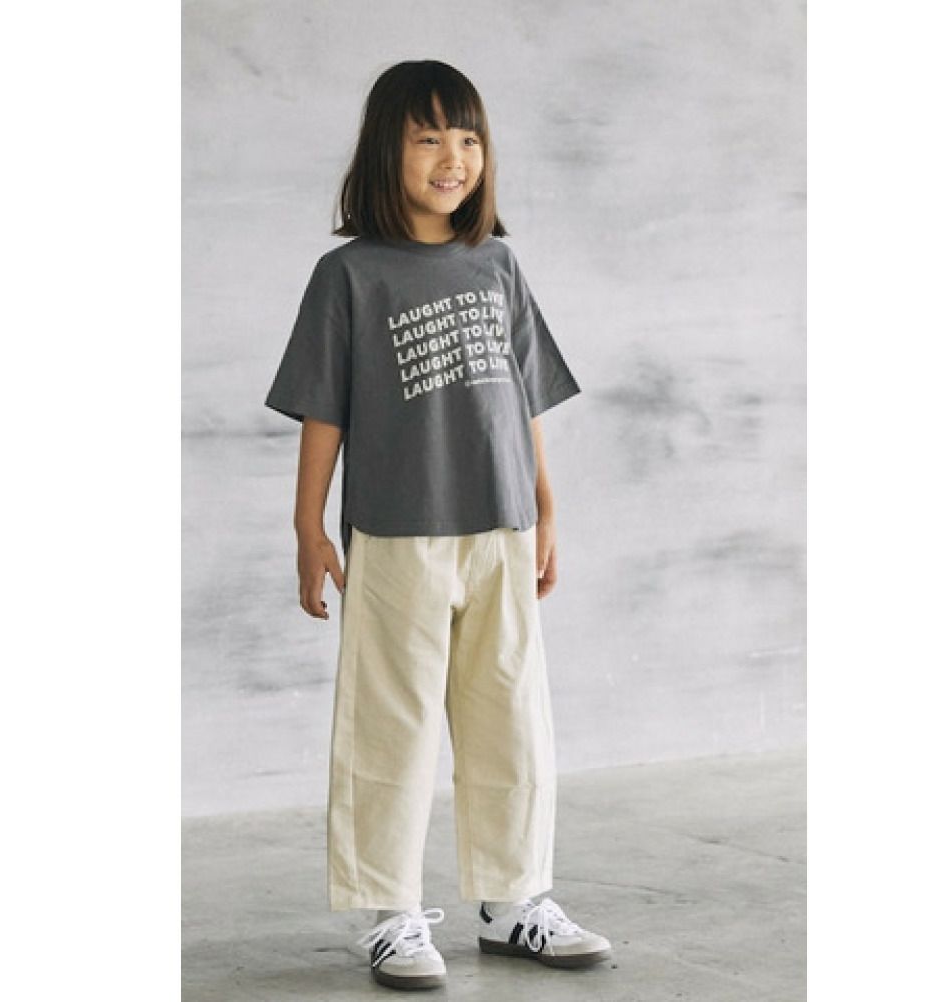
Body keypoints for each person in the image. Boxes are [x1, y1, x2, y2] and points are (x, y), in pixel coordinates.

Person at [264, 59, 612, 991]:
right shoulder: (348, 275)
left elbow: (523, 397)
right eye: (429, 138)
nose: (453, 157)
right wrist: (308, 528)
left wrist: (544, 508)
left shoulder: (497, 263)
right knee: (391, 725)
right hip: (395, 533)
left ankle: (514, 900)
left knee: (512, 717)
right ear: (389, 150)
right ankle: (391, 913)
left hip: (498, 527)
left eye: (468, 138)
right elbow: (323, 410)